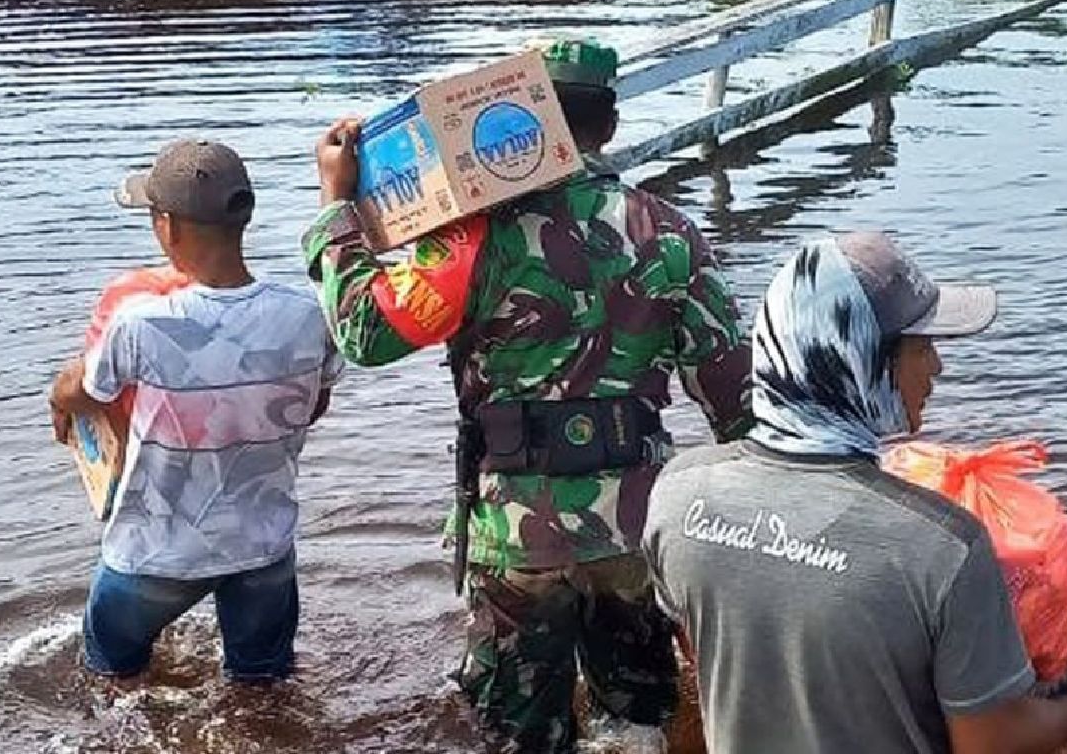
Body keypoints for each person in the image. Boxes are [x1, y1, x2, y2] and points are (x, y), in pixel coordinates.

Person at [302, 37, 753, 751]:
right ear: (608, 127)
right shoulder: (668, 232)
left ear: (526, 118)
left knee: (516, 730)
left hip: (517, 533)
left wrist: (336, 210)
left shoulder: (469, 239)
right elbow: (734, 399)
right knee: (640, 722)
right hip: (634, 530)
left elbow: (365, 332)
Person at [642, 231, 1067, 754]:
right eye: (921, 347)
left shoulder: (679, 494)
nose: (937, 367)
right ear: (861, 359)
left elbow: (704, 645)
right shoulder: (944, 546)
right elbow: (992, 743)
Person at [49, 139, 344, 681]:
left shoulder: (141, 322)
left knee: (108, 677)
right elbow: (311, 407)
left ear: (167, 226)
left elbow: (86, 388)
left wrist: (57, 395)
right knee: (263, 690)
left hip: (155, 553)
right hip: (263, 551)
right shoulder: (307, 315)